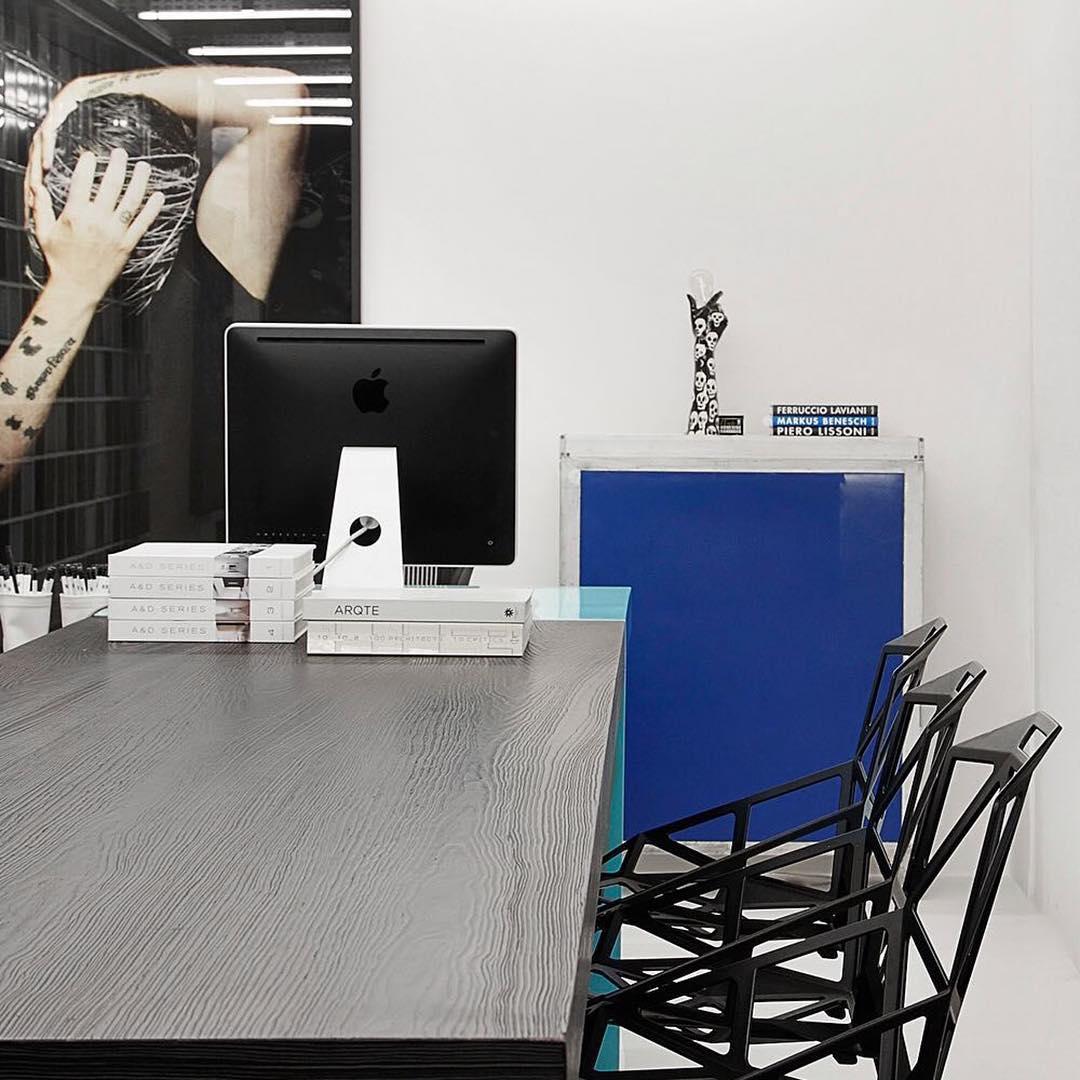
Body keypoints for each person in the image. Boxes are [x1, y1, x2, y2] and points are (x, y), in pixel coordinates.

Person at [0, 66, 309, 494]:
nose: (103, 224)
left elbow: (281, 99)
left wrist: (77, 91)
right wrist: (74, 285)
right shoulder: (19, 302)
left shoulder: (207, 276)